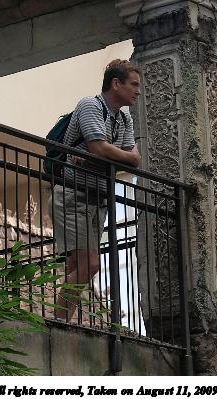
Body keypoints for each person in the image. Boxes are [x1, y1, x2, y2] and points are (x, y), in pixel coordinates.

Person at [51, 59, 141, 322]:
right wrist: (106, 154)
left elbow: (134, 160)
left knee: (76, 266)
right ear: (116, 83)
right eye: (134, 85)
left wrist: (99, 157)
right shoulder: (90, 105)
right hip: (73, 194)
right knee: (90, 265)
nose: (138, 91)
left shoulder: (123, 118)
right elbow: (100, 148)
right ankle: (58, 322)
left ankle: (61, 320)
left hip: (97, 199)